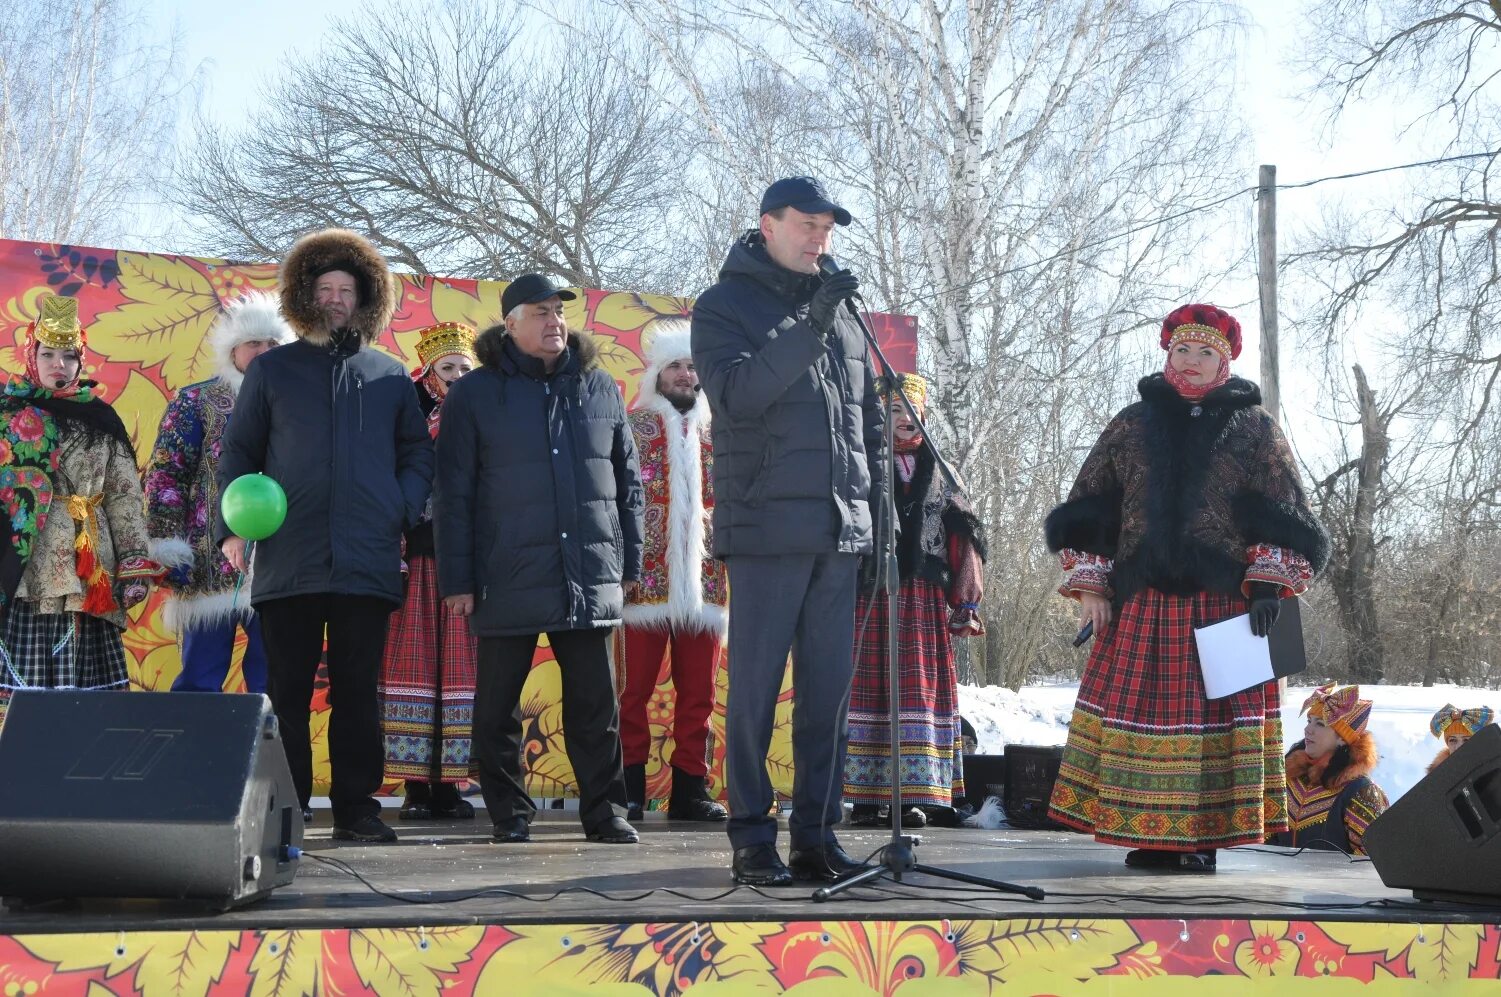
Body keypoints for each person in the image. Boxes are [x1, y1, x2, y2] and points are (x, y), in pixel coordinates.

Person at [1044, 303, 1329, 873]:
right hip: (1144, 601)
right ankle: (1147, 835)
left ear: (1224, 362)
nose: (1192, 361)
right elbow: (1091, 506)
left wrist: (1269, 584)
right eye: (1183, 350)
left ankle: (1201, 839)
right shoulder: (1131, 423)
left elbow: (1282, 510)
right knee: (1143, 713)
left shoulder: (1254, 429)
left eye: (1206, 352)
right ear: (1166, 353)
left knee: (1211, 723)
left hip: (1225, 605)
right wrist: (1094, 585)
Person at [691, 176, 883, 885]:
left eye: (827, 228)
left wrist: (874, 520)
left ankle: (815, 833)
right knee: (754, 691)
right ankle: (749, 837)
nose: (818, 238)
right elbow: (737, 395)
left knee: (828, 693)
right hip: (767, 526)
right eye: (806, 224)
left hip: (840, 530)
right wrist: (810, 328)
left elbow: (864, 427)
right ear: (767, 224)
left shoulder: (845, 316)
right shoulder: (723, 306)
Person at [215, 228, 435, 842]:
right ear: (305, 295)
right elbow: (238, 453)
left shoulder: (390, 376)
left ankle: (357, 809)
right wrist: (233, 529)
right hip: (289, 560)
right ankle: (287, 810)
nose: (336, 298)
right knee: (286, 691)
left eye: (347, 289)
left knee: (358, 692)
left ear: (365, 299)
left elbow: (417, 454)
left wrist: (402, 504)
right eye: (326, 288)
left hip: (366, 562)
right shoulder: (273, 371)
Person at [434, 273, 643, 846]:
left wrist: (630, 563)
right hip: (506, 575)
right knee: (497, 708)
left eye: (558, 311)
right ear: (510, 324)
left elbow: (628, 483)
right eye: (540, 311)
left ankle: (606, 813)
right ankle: (509, 814)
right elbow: (452, 493)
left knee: (596, 707)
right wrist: (458, 577)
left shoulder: (600, 388)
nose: (554, 321)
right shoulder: (473, 395)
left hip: (589, 575)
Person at [0, 295, 159, 721]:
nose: (59, 365)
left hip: (90, 569)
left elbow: (124, 494)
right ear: (31, 355)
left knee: (89, 701)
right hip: (24, 570)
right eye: (47, 354)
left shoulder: (101, 419)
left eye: (68, 356)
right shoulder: (7, 414)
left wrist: (134, 561)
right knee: (23, 692)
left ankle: (82, 773)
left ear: (80, 359)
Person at [843, 373, 986, 831]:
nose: (905, 419)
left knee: (916, 689)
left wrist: (965, 599)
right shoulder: (858, 462)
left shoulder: (943, 470)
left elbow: (964, 536)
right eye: (894, 410)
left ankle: (911, 796)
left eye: (912, 410)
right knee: (867, 685)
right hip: (869, 592)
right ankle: (864, 799)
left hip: (922, 597)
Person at [144, 292, 291, 694]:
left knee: (272, 681)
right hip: (207, 560)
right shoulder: (196, 400)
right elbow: (166, 473)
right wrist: (167, 543)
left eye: (273, 344)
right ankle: (194, 756)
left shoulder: (299, 406)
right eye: (254, 343)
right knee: (199, 679)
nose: (264, 352)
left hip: (278, 564)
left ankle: (265, 757)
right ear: (233, 350)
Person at [619, 320, 728, 823]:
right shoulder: (631, 426)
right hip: (642, 578)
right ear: (657, 374)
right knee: (633, 691)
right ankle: (629, 788)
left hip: (706, 581)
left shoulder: (722, 431)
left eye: (692, 366)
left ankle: (691, 789)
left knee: (699, 695)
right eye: (676, 367)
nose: (686, 375)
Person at [379, 322, 480, 820]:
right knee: (416, 667)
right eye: (448, 369)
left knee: (460, 672)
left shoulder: (486, 419)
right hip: (419, 560)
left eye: (466, 368)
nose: (458, 377)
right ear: (428, 375)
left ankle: (452, 784)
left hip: (466, 563)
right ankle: (416, 784)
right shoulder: (410, 423)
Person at [1274, 684, 1388, 855]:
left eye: (1320, 724)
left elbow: (1375, 857)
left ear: (1342, 739)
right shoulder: (1288, 779)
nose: (1308, 729)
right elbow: (1267, 839)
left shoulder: (1360, 791)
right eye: (1308, 721)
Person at [1426, 703, 1494, 772]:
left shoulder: (1494, 772)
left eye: (1466, 740)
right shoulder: (1436, 776)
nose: (1459, 747)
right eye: (1452, 740)